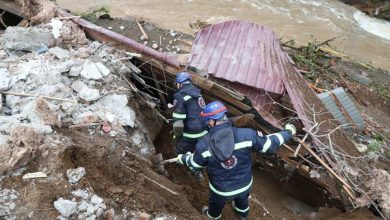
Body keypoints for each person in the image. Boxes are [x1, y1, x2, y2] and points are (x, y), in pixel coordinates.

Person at [176, 101, 296, 219]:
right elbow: (270, 144)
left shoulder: (203, 144)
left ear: (212, 121)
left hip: (221, 190)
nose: (207, 123)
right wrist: (288, 132)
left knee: (215, 206)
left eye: (208, 120)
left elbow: (195, 165)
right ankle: (242, 215)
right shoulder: (248, 135)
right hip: (245, 184)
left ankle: (212, 216)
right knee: (242, 202)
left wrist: (184, 158)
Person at [172, 71, 208, 180]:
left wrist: (178, 136)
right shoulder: (198, 94)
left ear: (179, 83)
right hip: (205, 132)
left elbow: (178, 123)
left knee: (180, 151)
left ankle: (180, 174)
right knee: (198, 152)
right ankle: (199, 171)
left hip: (191, 134)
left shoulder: (180, 96)